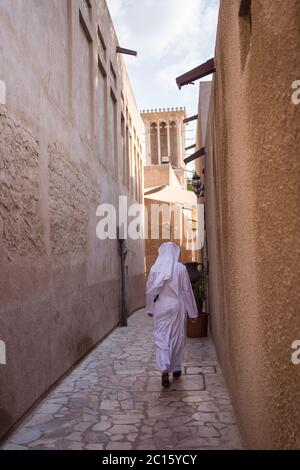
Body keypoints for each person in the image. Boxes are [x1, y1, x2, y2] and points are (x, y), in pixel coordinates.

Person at [146, 242, 198, 387]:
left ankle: (164, 367)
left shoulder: (155, 269)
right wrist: (193, 313)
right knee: (177, 336)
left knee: (161, 336)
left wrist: (150, 309)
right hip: (176, 306)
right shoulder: (180, 268)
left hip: (161, 306)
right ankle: (175, 367)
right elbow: (187, 291)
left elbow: (150, 290)